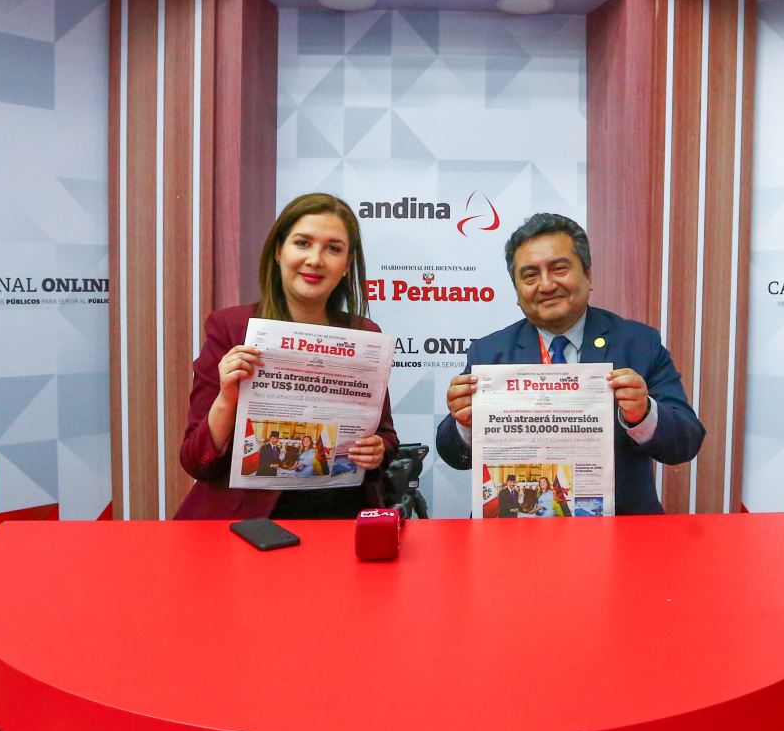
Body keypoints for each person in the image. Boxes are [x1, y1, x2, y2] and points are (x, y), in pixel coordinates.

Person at [436, 212, 704, 515]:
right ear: (517, 291)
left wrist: (643, 414)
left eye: (559, 268)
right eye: (530, 275)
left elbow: (687, 442)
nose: (547, 285)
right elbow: (454, 456)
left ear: (588, 276)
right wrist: (464, 424)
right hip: (514, 537)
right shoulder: (489, 352)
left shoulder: (638, 343)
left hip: (621, 535)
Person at [175, 193, 399, 520]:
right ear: (279, 251)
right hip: (246, 525)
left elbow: (386, 437)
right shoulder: (231, 328)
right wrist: (226, 399)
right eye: (302, 243)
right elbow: (196, 462)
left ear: (347, 264)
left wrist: (377, 450)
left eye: (333, 248)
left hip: (341, 518)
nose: (315, 260)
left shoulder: (364, 334)